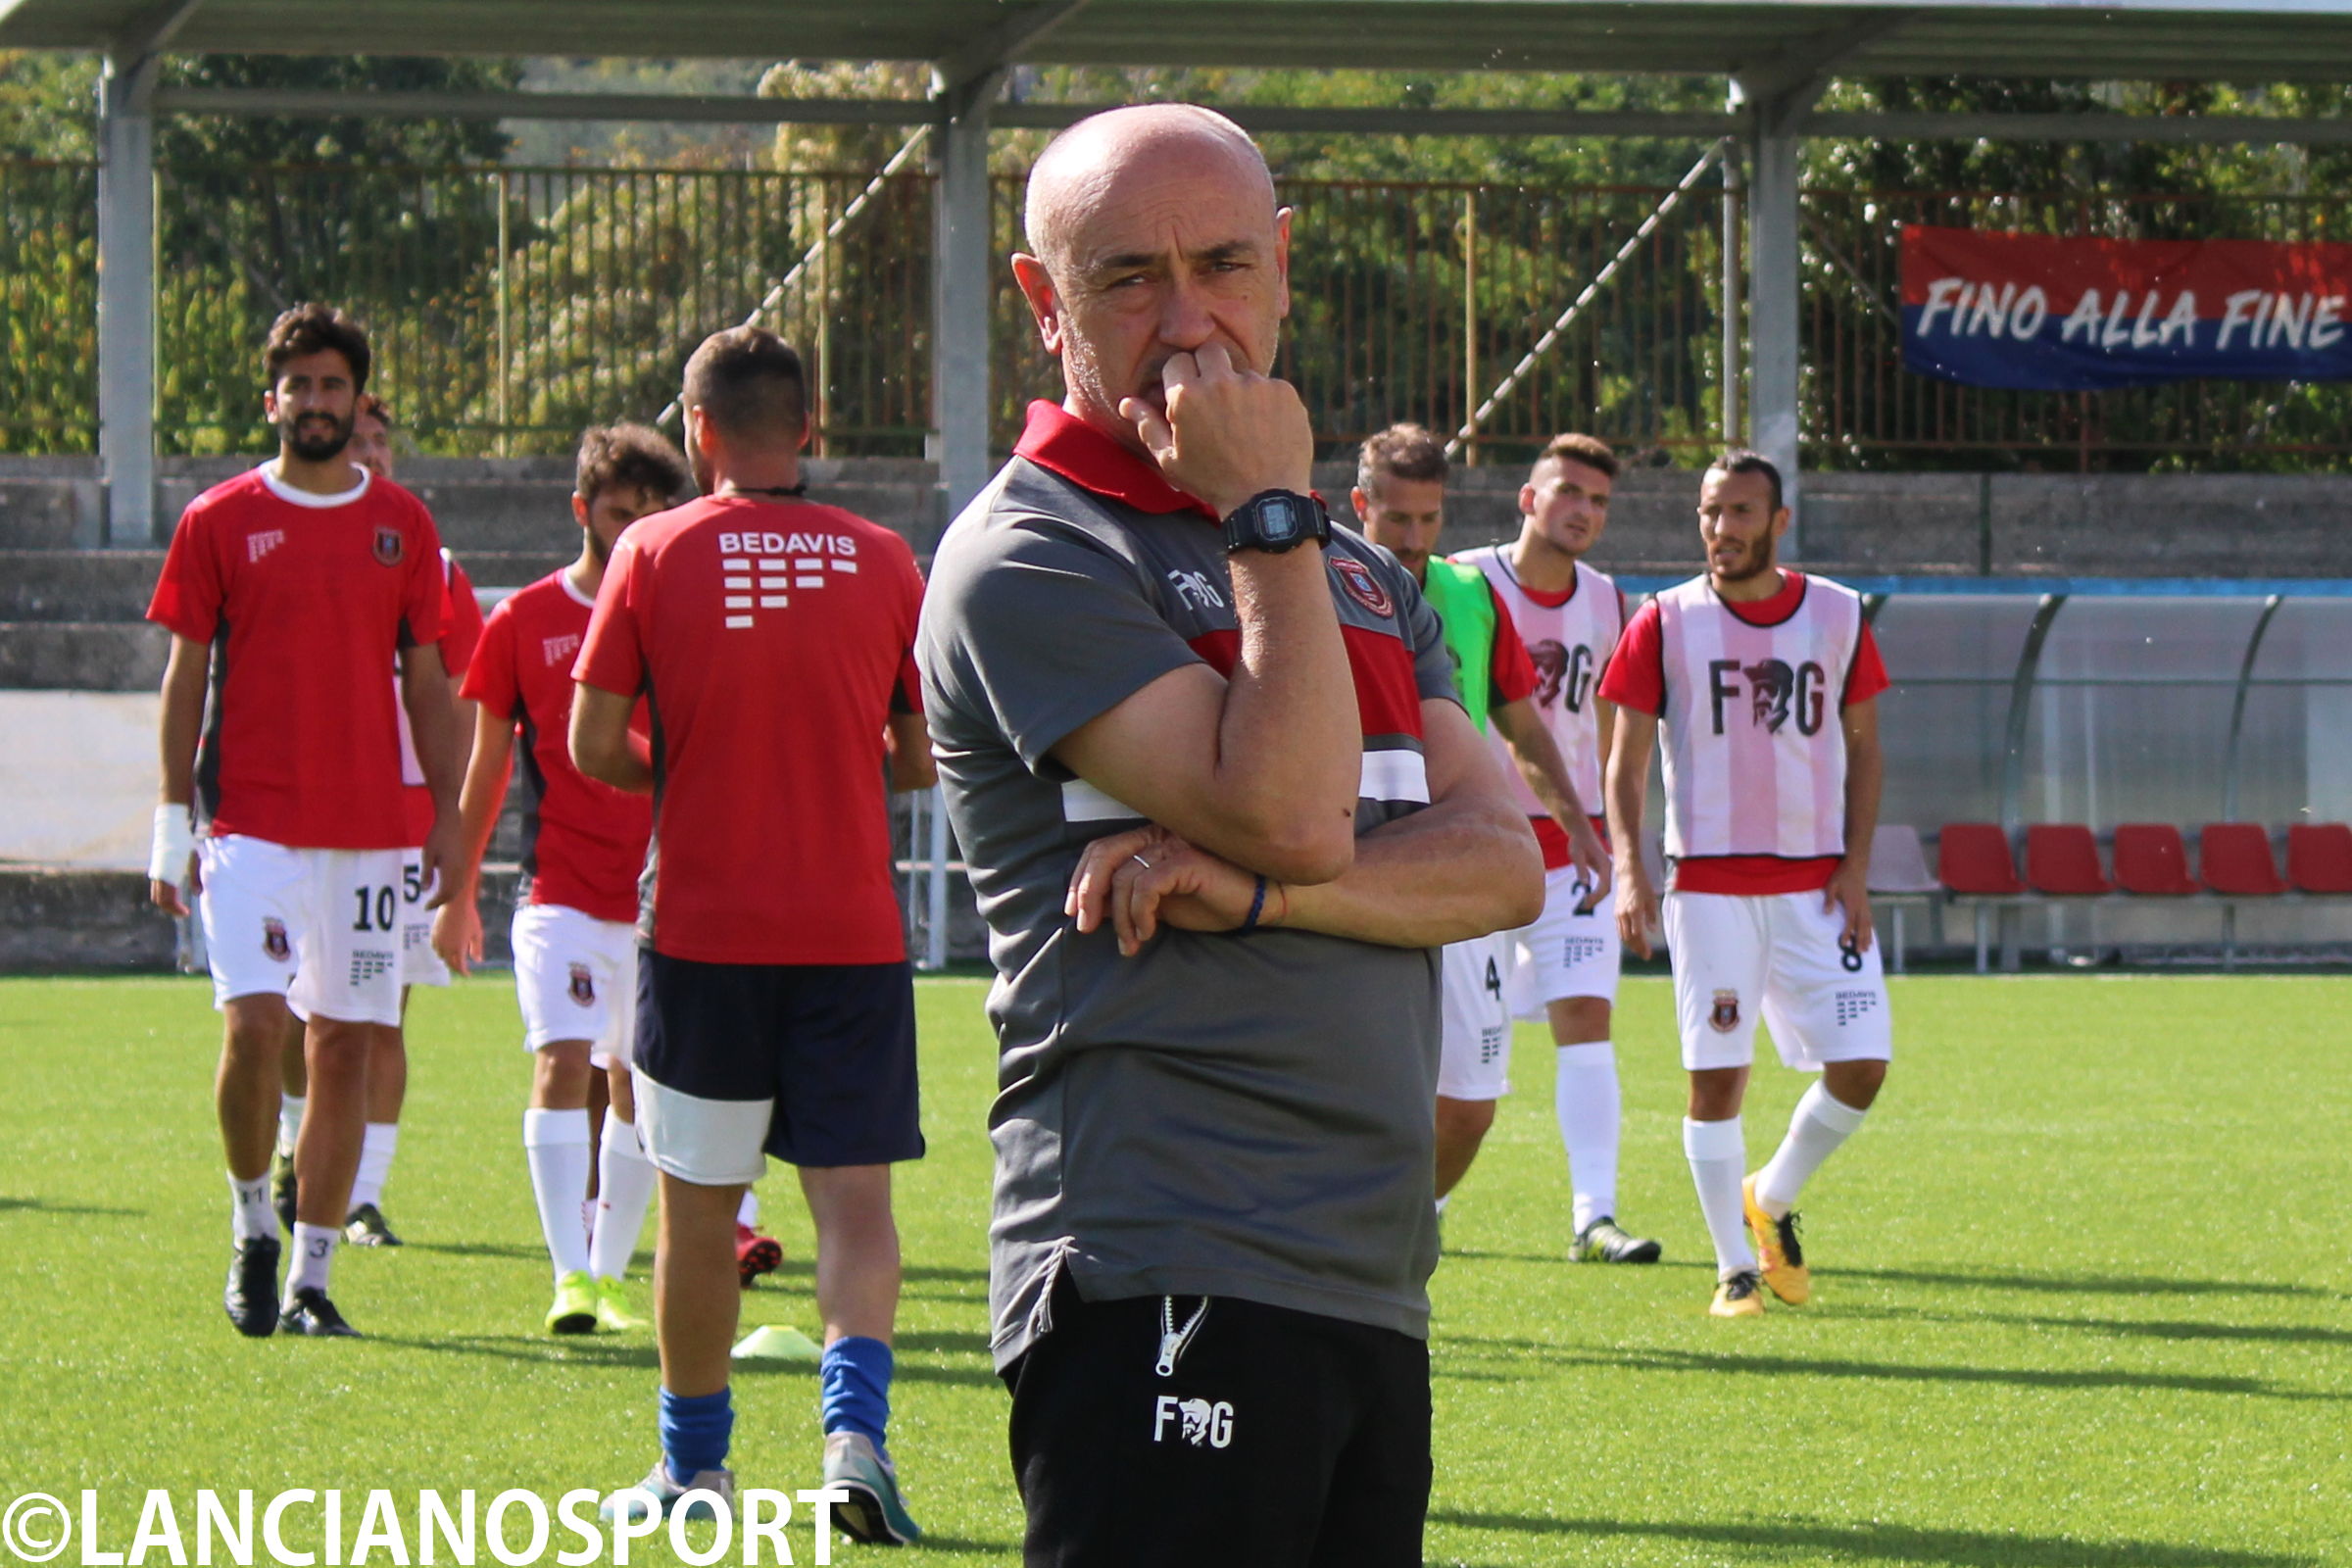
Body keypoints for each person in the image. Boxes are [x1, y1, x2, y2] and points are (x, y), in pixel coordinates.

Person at [918, 105, 1543, 1567]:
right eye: (1129, 277)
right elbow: (1294, 812)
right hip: (1159, 1254)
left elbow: (1501, 865)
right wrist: (1267, 510)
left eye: (1222, 266)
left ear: (1282, 266)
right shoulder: (1031, 552)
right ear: (1042, 301)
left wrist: (1266, 903)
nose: (1188, 322)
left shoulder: (1359, 580)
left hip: (1369, 1273)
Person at [571, 327, 934, 1540]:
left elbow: (585, 743)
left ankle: (693, 1472)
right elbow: (920, 755)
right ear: (812, 428)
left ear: (698, 431)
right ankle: (853, 1443)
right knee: (855, 1206)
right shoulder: (888, 560)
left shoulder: (650, 550)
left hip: (705, 931)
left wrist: (697, 766)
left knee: (694, 1213)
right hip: (852, 931)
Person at [146, 305, 463, 1339]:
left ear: (357, 400)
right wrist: (167, 821)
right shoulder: (219, 519)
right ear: (270, 398)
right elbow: (186, 673)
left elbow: (429, 682)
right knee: (255, 1029)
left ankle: (312, 1280)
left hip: (371, 836)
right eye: (301, 385)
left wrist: (451, 826)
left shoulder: (403, 525)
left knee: (344, 1050)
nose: (316, 403)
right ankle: (251, 1222)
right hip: (252, 830)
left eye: (335, 387)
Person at [1598, 450, 1893, 1318]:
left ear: (1777, 522)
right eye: (1709, 512)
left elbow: (1867, 746)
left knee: (1864, 1067)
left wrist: (1857, 867)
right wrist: (1629, 866)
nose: (1721, 530)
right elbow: (1623, 764)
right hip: (1709, 889)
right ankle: (1734, 1269)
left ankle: (1769, 1195)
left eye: (1739, 513)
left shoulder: (1837, 614)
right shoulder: (1664, 620)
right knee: (1717, 1080)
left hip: (1817, 891)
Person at [433, 422, 688, 1335]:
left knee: (634, 1087)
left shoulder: (678, 618)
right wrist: (457, 892)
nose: (630, 532)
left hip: (660, 904)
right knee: (560, 1063)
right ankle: (568, 1276)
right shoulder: (523, 620)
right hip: (559, 902)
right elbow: (485, 772)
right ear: (582, 511)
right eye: (617, 514)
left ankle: (610, 1280)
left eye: (650, 517)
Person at [1348, 424, 1605, 1222]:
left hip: (1454, 867)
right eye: (1398, 520)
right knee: (1342, 1090)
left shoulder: (1468, 596)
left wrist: (1582, 829)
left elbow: (1525, 729)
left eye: (1431, 519)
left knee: (1468, 1106)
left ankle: (1391, 1235)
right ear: (1363, 506)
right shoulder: (1311, 586)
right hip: (1345, 866)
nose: (1417, 539)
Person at [270, 392, 484, 1249]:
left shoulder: (431, 569)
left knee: (379, 1013)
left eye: (381, 441)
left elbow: (467, 700)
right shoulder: (286, 548)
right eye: (357, 441)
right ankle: (296, 1140)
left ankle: (360, 1193)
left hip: (396, 826)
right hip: (300, 817)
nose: (373, 454)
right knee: (291, 1007)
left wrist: (453, 824)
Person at [1446, 433, 1660, 1263]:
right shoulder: (1463, 582)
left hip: (1573, 857)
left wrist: (1621, 851)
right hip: (1474, 847)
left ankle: (1593, 1217)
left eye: (1600, 500)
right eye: (1568, 490)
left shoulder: (1609, 603)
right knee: (1464, 1053)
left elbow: (1615, 746)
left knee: (1588, 1020)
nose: (1584, 510)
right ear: (1527, 499)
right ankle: (1417, 1208)